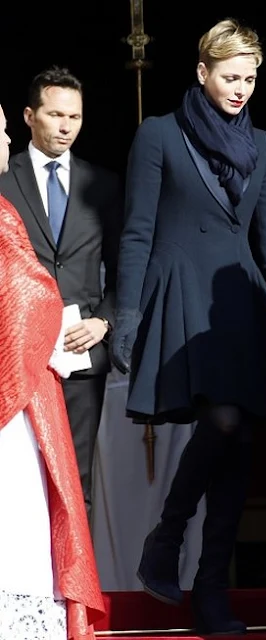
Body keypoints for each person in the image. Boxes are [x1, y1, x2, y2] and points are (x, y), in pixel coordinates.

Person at [110, 17, 266, 635]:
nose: (240, 88)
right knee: (226, 420)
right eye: (230, 76)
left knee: (240, 442)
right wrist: (127, 312)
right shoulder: (158, 136)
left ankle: (210, 590)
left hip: (240, 304)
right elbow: (137, 228)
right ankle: (168, 535)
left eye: (250, 78)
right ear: (202, 72)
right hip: (181, 297)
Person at [0, 66, 123, 523]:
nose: (66, 125)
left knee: (79, 482)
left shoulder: (103, 185)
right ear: (30, 116)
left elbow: (125, 265)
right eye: (55, 115)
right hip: (16, 355)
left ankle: (76, 592)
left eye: (75, 116)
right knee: (20, 478)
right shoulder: (3, 179)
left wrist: (104, 320)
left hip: (79, 350)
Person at [0, 103, 104, 639]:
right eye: (0, 131)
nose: (4, 140)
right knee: (20, 512)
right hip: (12, 395)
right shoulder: (2, 211)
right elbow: (27, 298)